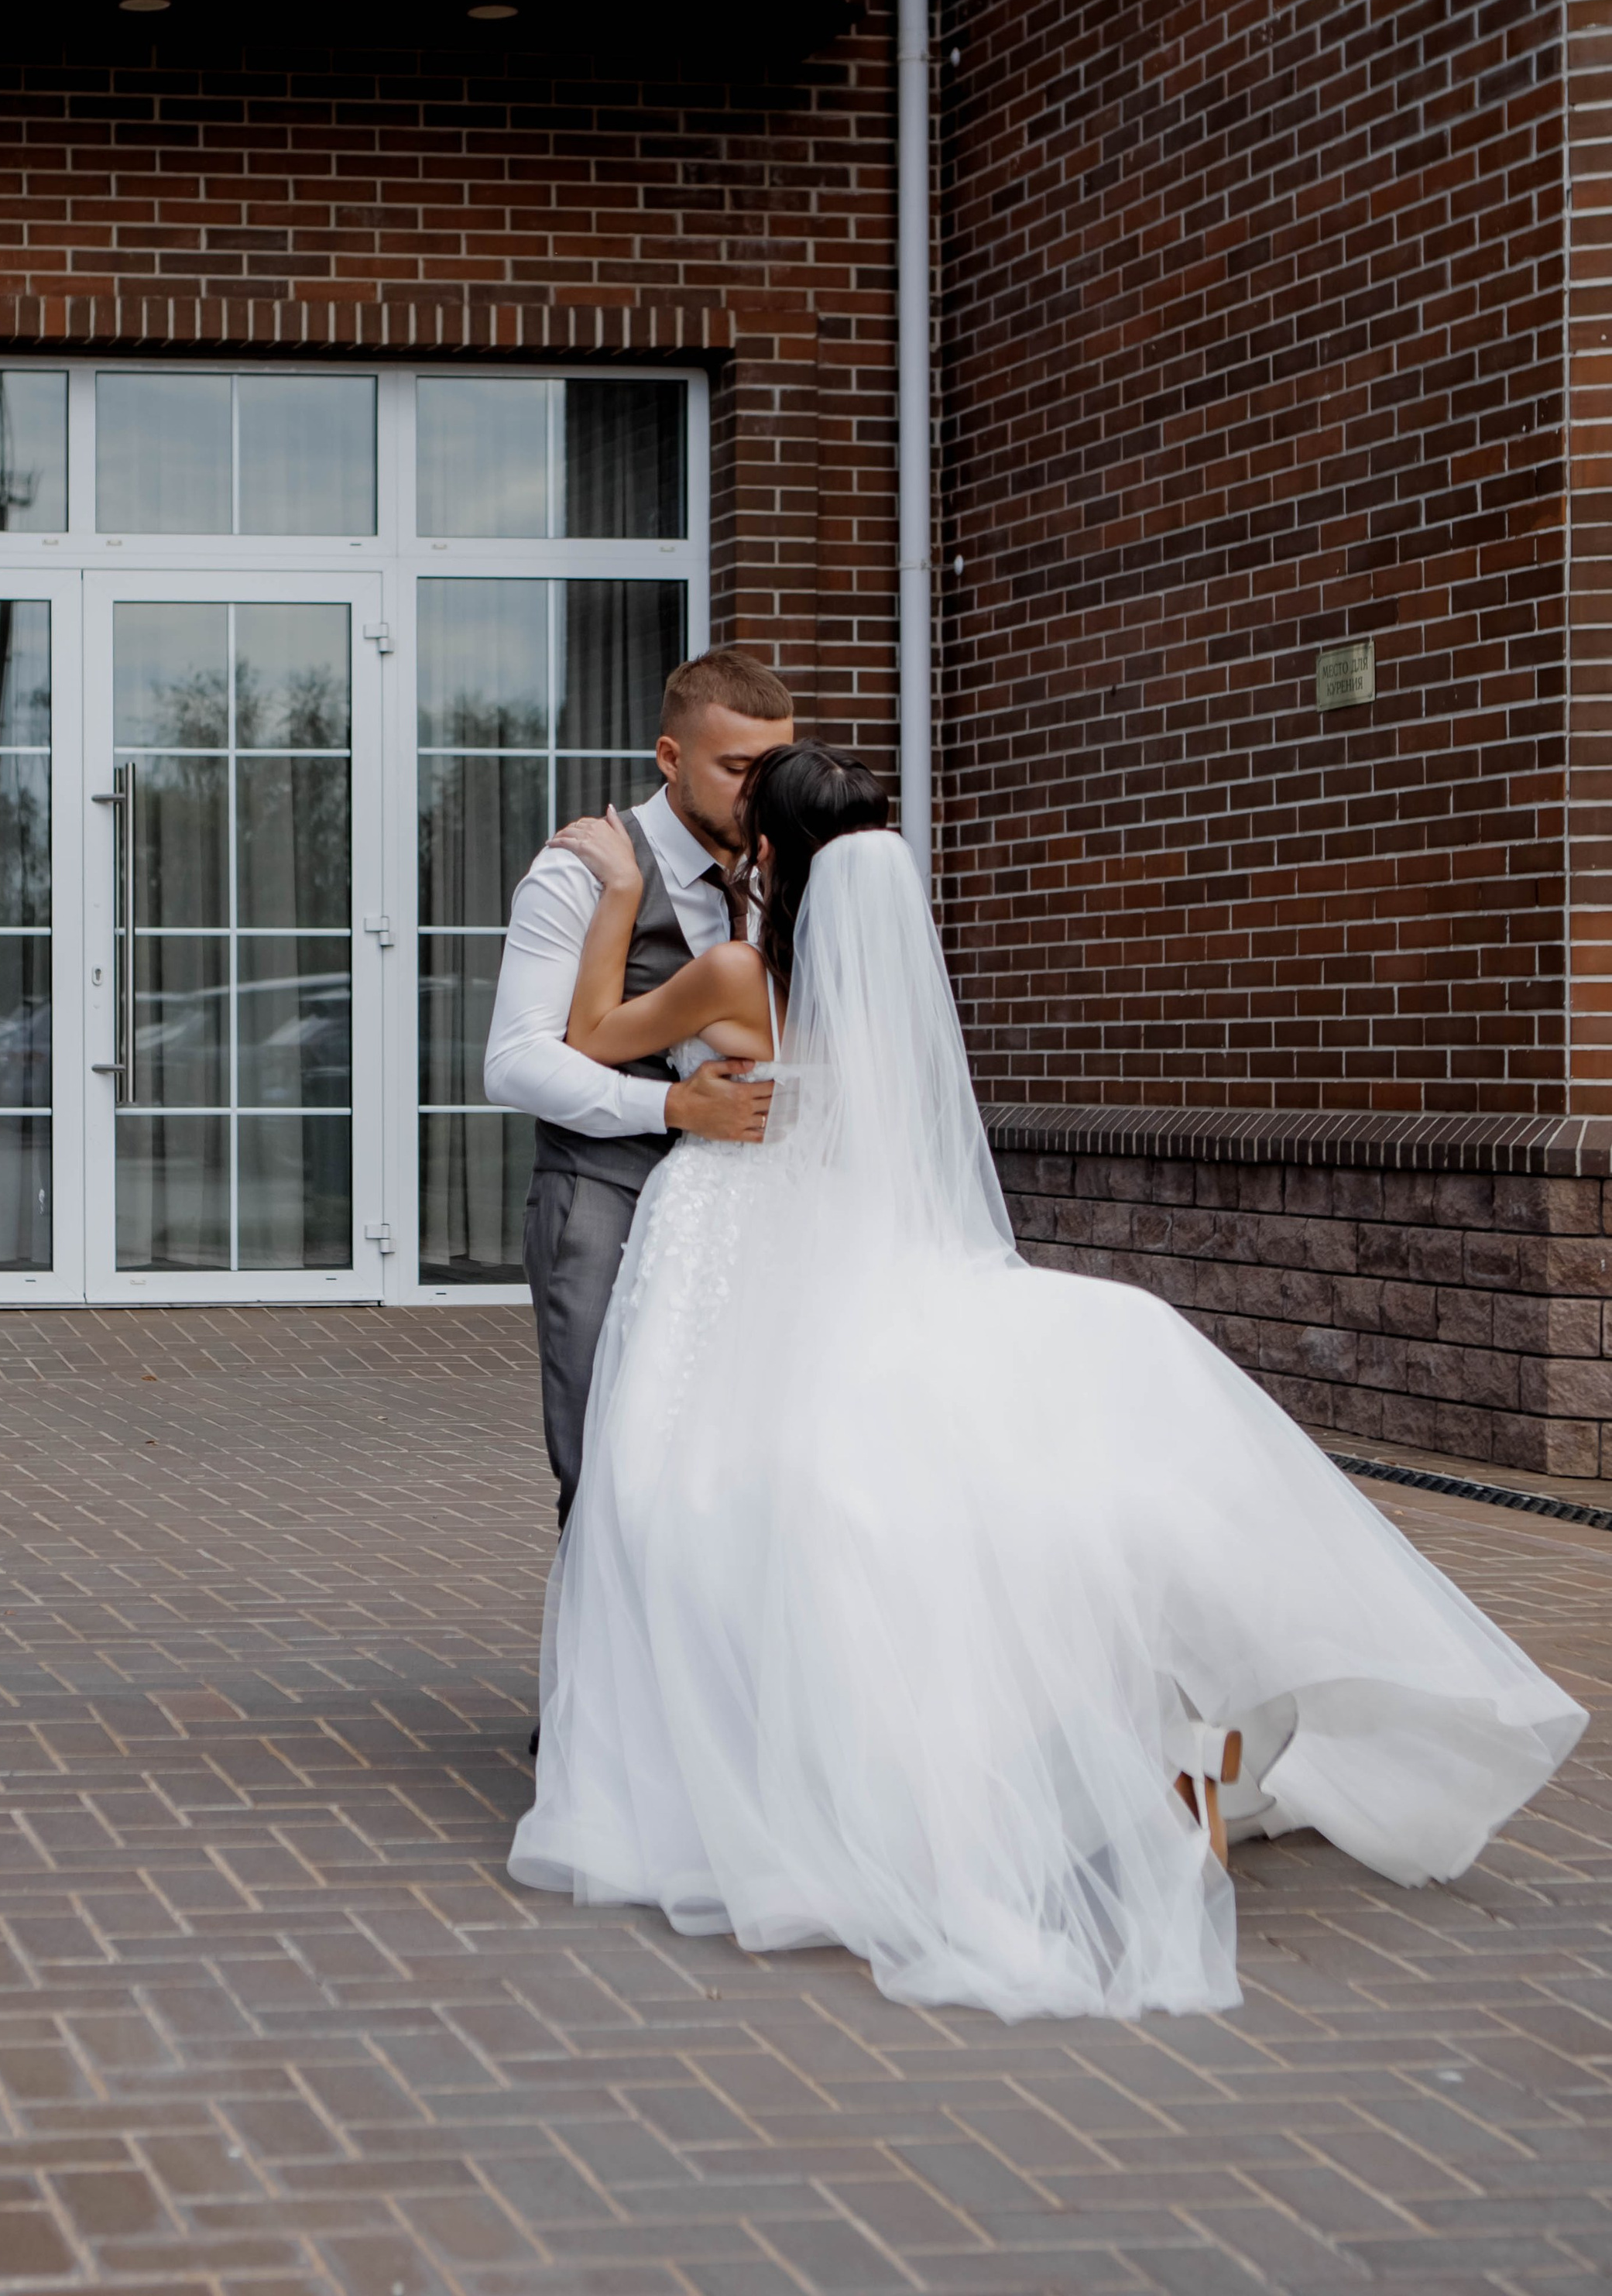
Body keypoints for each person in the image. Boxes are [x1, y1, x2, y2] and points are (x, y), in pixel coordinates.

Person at [508, 743, 1586, 2021]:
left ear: (769, 857)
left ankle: (750, 1770)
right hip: (845, 1247)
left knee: (667, 1494)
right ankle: (1160, 1741)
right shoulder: (879, 986)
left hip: (729, 1260)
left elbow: (584, 1038)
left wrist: (619, 891)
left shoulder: (737, 971)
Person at [483, 648, 794, 1530]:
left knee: (722, 1470)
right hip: (603, 1194)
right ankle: (599, 1670)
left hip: (744, 1210)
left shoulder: (782, 874)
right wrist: (667, 1107)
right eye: (735, 769)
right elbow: (512, 1060)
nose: (755, 793)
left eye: (771, 771)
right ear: (670, 757)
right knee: (606, 1464)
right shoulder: (579, 871)